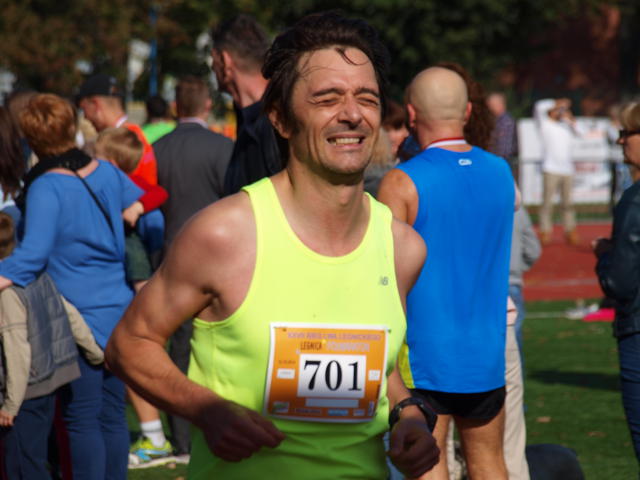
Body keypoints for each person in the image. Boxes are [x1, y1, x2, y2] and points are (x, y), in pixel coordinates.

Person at [106, 12, 439, 479]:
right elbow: (129, 344)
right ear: (280, 119)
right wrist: (207, 411)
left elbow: (375, 366)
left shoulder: (403, 248)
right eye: (327, 98)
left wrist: (408, 414)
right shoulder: (224, 234)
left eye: (367, 98)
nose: (352, 113)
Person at [378, 67, 515, 480]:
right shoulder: (501, 171)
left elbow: (383, 274)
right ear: (468, 110)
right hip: (485, 350)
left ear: (411, 113)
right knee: (490, 463)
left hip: (423, 355)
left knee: (428, 466)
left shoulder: (400, 181)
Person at [0, 93, 143, 479]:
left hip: (76, 313)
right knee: (112, 413)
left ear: (31, 137)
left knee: (81, 417)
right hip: (119, 306)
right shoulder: (106, 170)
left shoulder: (47, 186)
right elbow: (140, 207)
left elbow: (32, 256)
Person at [153, 75, 233, 458]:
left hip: (170, 256)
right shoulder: (223, 148)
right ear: (207, 105)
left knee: (178, 350)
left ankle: (182, 437)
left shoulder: (158, 149)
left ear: (175, 106)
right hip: (220, 261)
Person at [594, 102, 640, 469]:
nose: (620, 140)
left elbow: (620, 283)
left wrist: (605, 255)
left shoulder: (634, 200)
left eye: (627, 133)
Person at [211, 14, 282, 195]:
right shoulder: (253, 119)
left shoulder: (275, 122)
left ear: (225, 61)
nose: (212, 67)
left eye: (213, 59)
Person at [77, 74, 158, 185]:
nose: (85, 117)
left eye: (84, 109)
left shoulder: (121, 144)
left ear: (95, 104)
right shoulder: (134, 136)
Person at [534, 98, 584, 246]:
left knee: (568, 203)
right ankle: (545, 231)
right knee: (547, 203)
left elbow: (581, 132)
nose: (560, 112)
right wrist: (557, 103)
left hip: (567, 169)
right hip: (550, 168)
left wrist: (570, 119)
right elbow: (539, 106)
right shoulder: (545, 124)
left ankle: (570, 230)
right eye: (557, 110)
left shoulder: (566, 125)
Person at [487, 91, 518, 173]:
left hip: (502, 163)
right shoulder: (497, 120)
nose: (489, 108)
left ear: (499, 104)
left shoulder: (506, 122)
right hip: (498, 162)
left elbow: (504, 149)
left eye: (491, 105)